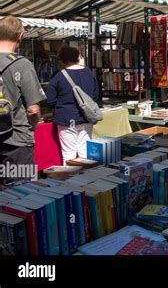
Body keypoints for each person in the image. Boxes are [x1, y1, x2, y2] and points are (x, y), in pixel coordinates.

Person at [0, 16, 46, 183]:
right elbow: (33, 109)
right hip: (17, 142)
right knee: (22, 195)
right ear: (19, 36)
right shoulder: (22, 64)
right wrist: (31, 129)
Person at [46, 45, 99, 163]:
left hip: (66, 119)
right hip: (86, 118)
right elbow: (95, 95)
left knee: (69, 155)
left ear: (63, 60)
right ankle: (85, 179)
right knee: (85, 154)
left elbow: (50, 100)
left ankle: (70, 180)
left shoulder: (58, 76)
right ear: (76, 57)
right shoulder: (89, 73)